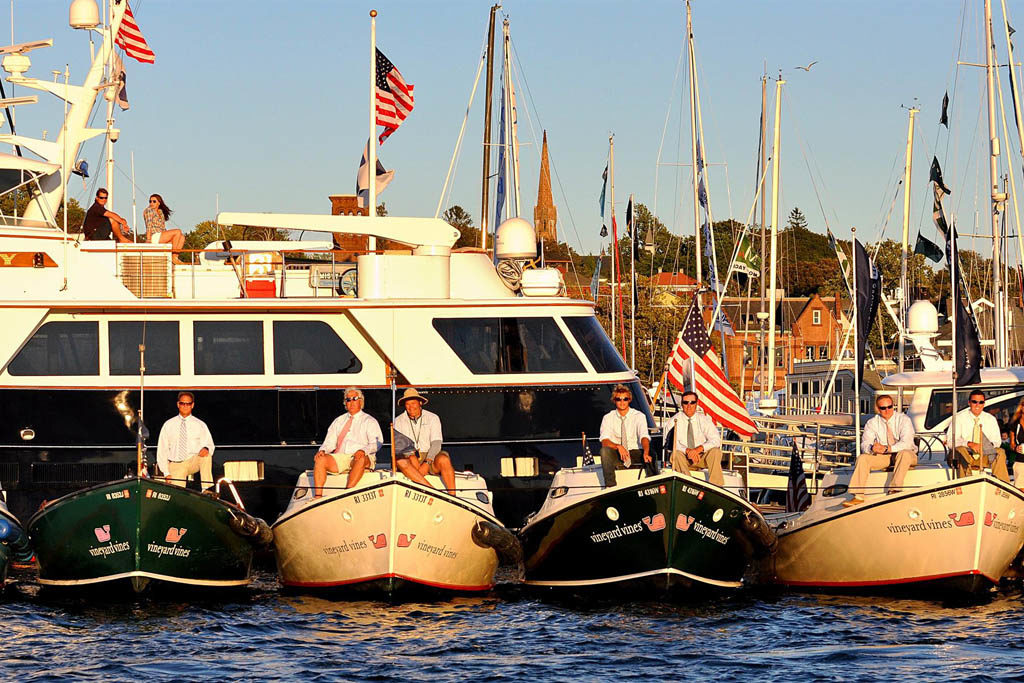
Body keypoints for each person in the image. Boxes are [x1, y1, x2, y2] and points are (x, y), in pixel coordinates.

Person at [842, 395, 917, 507]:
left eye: (890, 406)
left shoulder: (904, 419)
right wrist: (872, 448)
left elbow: (907, 443)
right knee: (863, 458)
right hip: (885, 457)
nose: (887, 410)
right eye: (883, 408)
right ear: (878, 409)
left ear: (893, 406)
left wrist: (888, 448)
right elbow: (865, 444)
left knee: (904, 453)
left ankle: (895, 490)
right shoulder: (872, 423)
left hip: (906, 455)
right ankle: (858, 496)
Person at [313, 388, 383, 497]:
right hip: (341, 456)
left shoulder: (370, 421)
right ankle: (317, 496)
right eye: (348, 399)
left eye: (354, 399)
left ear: (361, 401)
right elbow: (330, 442)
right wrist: (322, 450)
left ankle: (347, 493)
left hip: (362, 457)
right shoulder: (338, 421)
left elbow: (376, 443)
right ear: (345, 403)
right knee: (320, 459)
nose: (351, 402)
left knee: (360, 458)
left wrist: (363, 450)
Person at [393, 388, 456, 495]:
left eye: (413, 403)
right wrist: (413, 459)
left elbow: (436, 443)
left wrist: (428, 461)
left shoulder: (432, 417)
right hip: (410, 456)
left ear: (420, 403)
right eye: (407, 404)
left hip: (430, 454)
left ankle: (453, 495)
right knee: (401, 461)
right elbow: (402, 447)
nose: (410, 407)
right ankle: (432, 491)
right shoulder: (398, 420)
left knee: (444, 460)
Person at [946, 389, 1011, 483]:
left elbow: (997, 441)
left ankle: (1002, 485)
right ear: (969, 403)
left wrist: (985, 446)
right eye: (974, 402)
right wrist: (969, 444)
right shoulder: (959, 418)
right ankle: (966, 482)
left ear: (984, 404)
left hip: (984, 456)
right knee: (960, 449)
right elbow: (950, 442)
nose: (977, 405)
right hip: (965, 455)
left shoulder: (990, 419)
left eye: (981, 402)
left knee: (1000, 452)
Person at [156, 391, 215, 490]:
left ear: (192, 405)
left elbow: (210, 444)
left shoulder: (200, 424)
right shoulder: (168, 424)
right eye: (182, 403)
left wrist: (206, 448)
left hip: (193, 460)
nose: (185, 406)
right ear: (178, 404)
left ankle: (207, 489)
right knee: (177, 494)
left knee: (206, 455)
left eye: (188, 404)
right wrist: (166, 472)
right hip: (176, 464)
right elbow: (162, 449)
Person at [598, 384, 653, 487]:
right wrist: (618, 447)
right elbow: (604, 441)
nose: (622, 402)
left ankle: (653, 485)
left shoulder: (639, 416)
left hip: (635, 452)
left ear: (629, 400)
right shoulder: (608, 418)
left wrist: (646, 452)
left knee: (652, 454)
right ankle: (611, 487)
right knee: (604, 452)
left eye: (625, 399)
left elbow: (644, 436)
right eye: (619, 399)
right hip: (618, 453)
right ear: (614, 400)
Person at [667, 391, 724, 486]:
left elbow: (716, 440)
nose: (689, 406)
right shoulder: (673, 421)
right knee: (675, 454)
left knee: (715, 452)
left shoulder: (704, 420)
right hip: (683, 459)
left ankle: (717, 486)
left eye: (692, 402)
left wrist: (698, 449)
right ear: (681, 404)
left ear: (696, 404)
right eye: (685, 402)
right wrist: (688, 451)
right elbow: (670, 442)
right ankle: (688, 485)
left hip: (701, 458)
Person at [143, 193, 186, 264]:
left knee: (182, 237)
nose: (151, 203)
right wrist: (148, 239)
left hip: (161, 235)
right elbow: (149, 225)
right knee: (177, 231)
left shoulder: (160, 212)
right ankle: (173, 257)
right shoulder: (149, 210)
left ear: (159, 203)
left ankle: (175, 257)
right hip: (154, 236)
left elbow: (163, 227)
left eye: (154, 201)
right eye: (150, 201)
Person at [1006, 398, 1024, 485]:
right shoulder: (1015, 423)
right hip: (1020, 461)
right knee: (1021, 490)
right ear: (1021, 407)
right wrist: (1016, 448)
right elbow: (1011, 444)